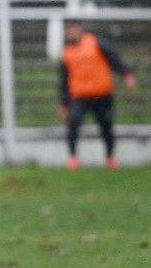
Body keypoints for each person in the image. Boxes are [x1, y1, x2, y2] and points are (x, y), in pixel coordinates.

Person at [58, 20, 137, 170]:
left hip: (102, 94)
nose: (69, 32)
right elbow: (64, 81)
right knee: (73, 121)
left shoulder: (95, 42)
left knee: (106, 126)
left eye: (72, 29)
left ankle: (110, 158)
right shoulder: (66, 52)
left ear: (79, 29)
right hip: (80, 95)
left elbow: (113, 58)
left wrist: (126, 75)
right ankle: (73, 158)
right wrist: (63, 104)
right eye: (67, 30)